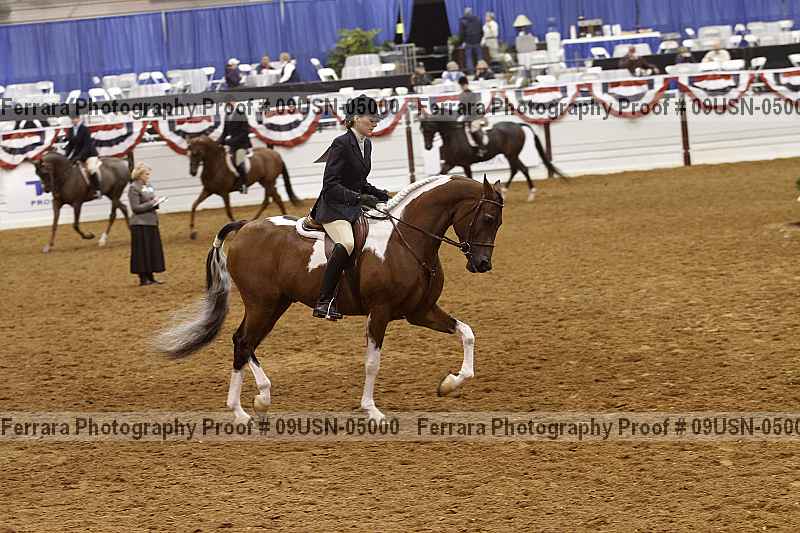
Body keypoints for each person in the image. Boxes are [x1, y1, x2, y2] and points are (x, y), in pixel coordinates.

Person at [309, 94, 390, 320]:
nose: (375, 123)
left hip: (352, 206)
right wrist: (358, 198)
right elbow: (330, 184)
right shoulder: (341, 143)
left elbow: (359, 180)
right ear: (355, 118)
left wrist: (377, 193)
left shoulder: (367, 144)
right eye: (371, 119)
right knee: (346, 243)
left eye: (376, 119)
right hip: (333, 207)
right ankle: (324, 301)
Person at [128, 163, 166, 286]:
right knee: (142, 251)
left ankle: (151, 276)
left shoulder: (149, 186)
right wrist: (152, 203)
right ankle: (143, 278)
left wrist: (157, 202)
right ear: (139, 175)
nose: (148, 176)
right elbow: (135, 208)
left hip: (151, 222)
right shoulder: (133, 187)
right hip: (140, 223)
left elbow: (152, 201)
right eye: (146, 174)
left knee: (151, 250)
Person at [63, 111, 102, 199]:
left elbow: (87, 145)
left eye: (74, 119)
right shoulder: (70, 130)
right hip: (77, 155)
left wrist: (79, 156)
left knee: (91, 169)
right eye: (71, 119)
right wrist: (66, 157)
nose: (73, 120)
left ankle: (97, 190)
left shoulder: (85, 129)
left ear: (78, 118)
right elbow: (70, 145)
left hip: (89, 154)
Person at [219, 102, 252, 194]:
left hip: (242, 144)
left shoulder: (241, 114)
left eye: (230, 102)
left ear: (234, 103)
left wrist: (231, 141)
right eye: (226, 103)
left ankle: (244, 185)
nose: (228, 104)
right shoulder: (227, 115)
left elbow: (245, 132)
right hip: (232, 145)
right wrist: (218, 142)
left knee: (239, 163)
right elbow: (225, 132)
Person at [458, 76, 488, 157]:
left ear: (467, 85)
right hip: (467, 118)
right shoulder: (460, 95)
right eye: (461, 85)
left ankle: (482, 148)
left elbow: (474, 107)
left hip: (475, 116)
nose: (463, 87)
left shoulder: (472, 94)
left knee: (473, 130)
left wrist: (466, 116)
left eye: (464, 85)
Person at [458, 7, 483, 73]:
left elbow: (461, 33)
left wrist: (461, 42)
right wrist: (480, 39)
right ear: (471, 12)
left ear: (465, 13)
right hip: (477, 41)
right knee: (480, 58)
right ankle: (482, 71)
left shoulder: (462, 21)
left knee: (469, 58)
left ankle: (471, 72)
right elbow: (481, 31)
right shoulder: (478, 19)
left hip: (468, 42)